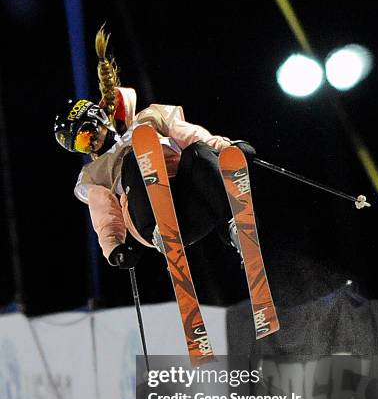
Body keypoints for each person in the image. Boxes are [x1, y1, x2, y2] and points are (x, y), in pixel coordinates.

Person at [54, 30, 256, 270]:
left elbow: (187, 133)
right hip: (147, 219)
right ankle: (163, 230)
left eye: (86, 135)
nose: (88, 145)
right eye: (79, 145)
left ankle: (233, 227)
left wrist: (225, 149)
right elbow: (103, 208)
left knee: (196, 151)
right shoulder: (93, 172)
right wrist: (114, 247)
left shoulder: (149, 118)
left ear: (97, 118)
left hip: (192, 201)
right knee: (133, 160)